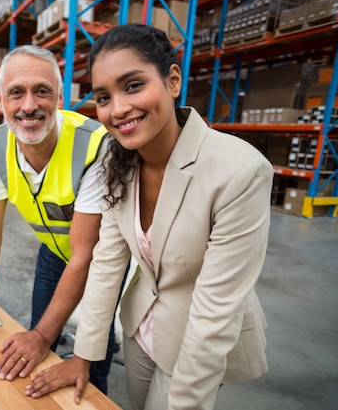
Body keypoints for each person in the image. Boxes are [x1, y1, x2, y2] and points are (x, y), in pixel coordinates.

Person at [25, 24, 272, 409]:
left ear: (172, 81)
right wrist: (84, 356)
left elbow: (214, 313)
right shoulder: (115, 158)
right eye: (104, 97)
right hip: (140, 325)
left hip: (197, 336)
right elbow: (107, 261)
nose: (118, 108)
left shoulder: (239, 171)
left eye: (134, 85)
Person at [0, 45, 117, 393]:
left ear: (60, 98)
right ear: (1, 103)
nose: (29, 105)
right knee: (36, 345)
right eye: (16, 93)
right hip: (52, 253)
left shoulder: (95, 146)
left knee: (90, 360)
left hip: (103, 261)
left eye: (42, 91)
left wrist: (42, 336)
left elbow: (84, 256)